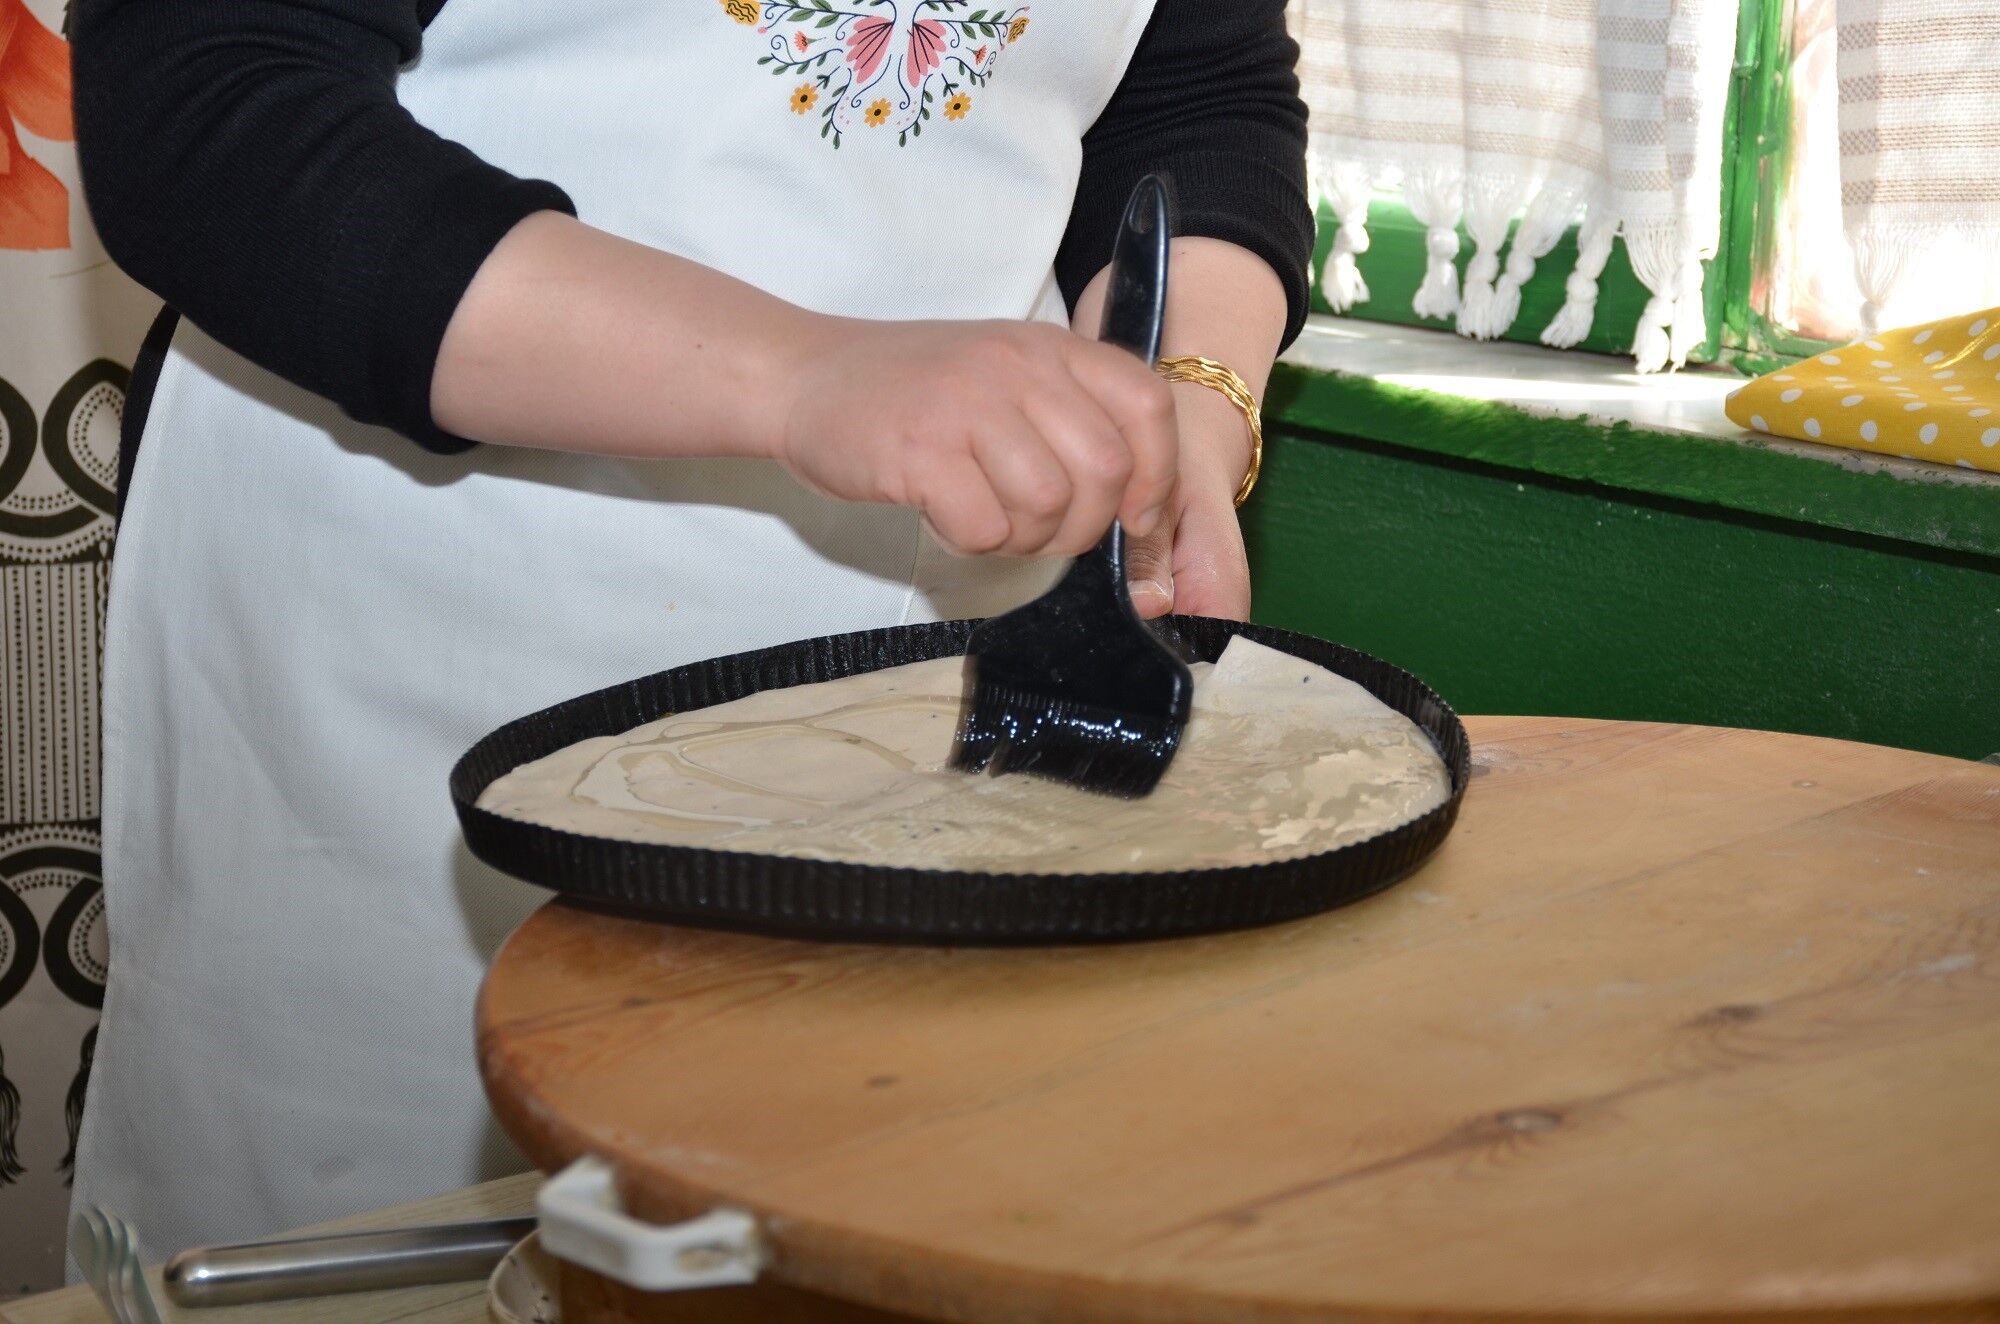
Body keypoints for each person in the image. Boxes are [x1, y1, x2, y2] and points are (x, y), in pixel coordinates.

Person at [65, 0, 1313, 1259]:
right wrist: (800, 376)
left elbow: (1199, 101)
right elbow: (205, 100)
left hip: (957, 646)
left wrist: (1187, 423)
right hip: (427, 612)